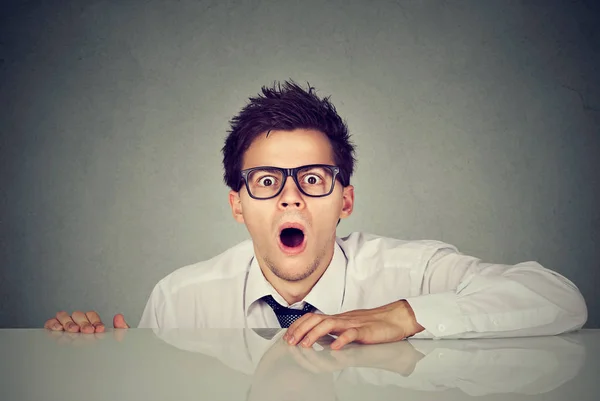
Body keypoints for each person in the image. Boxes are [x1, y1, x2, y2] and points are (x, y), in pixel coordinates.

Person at [44, 81, 588, 349]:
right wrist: (98, 362)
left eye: (312, 178)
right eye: (265, 181)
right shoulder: (178, 299)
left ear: (344, 199)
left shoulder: (412, 271)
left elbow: (560, 298)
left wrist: (406, 316)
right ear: (238, 204)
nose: (290, 199)